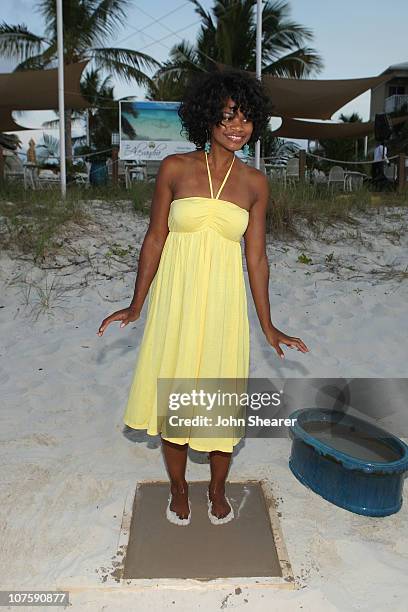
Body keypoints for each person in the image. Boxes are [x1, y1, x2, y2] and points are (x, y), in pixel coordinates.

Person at [97, 69, 309, 526]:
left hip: (223, 308)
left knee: (219, 401)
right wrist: (137, 304)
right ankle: (177, 488)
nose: (238, 126)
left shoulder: (255, 183)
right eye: (229, 116)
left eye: (247, 118)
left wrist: (269, 326)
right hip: (176, 302)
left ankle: (216, 488)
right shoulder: (175, 168)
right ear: (207, 117)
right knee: (173, 394)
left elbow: (257, 260)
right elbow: (154, 239)